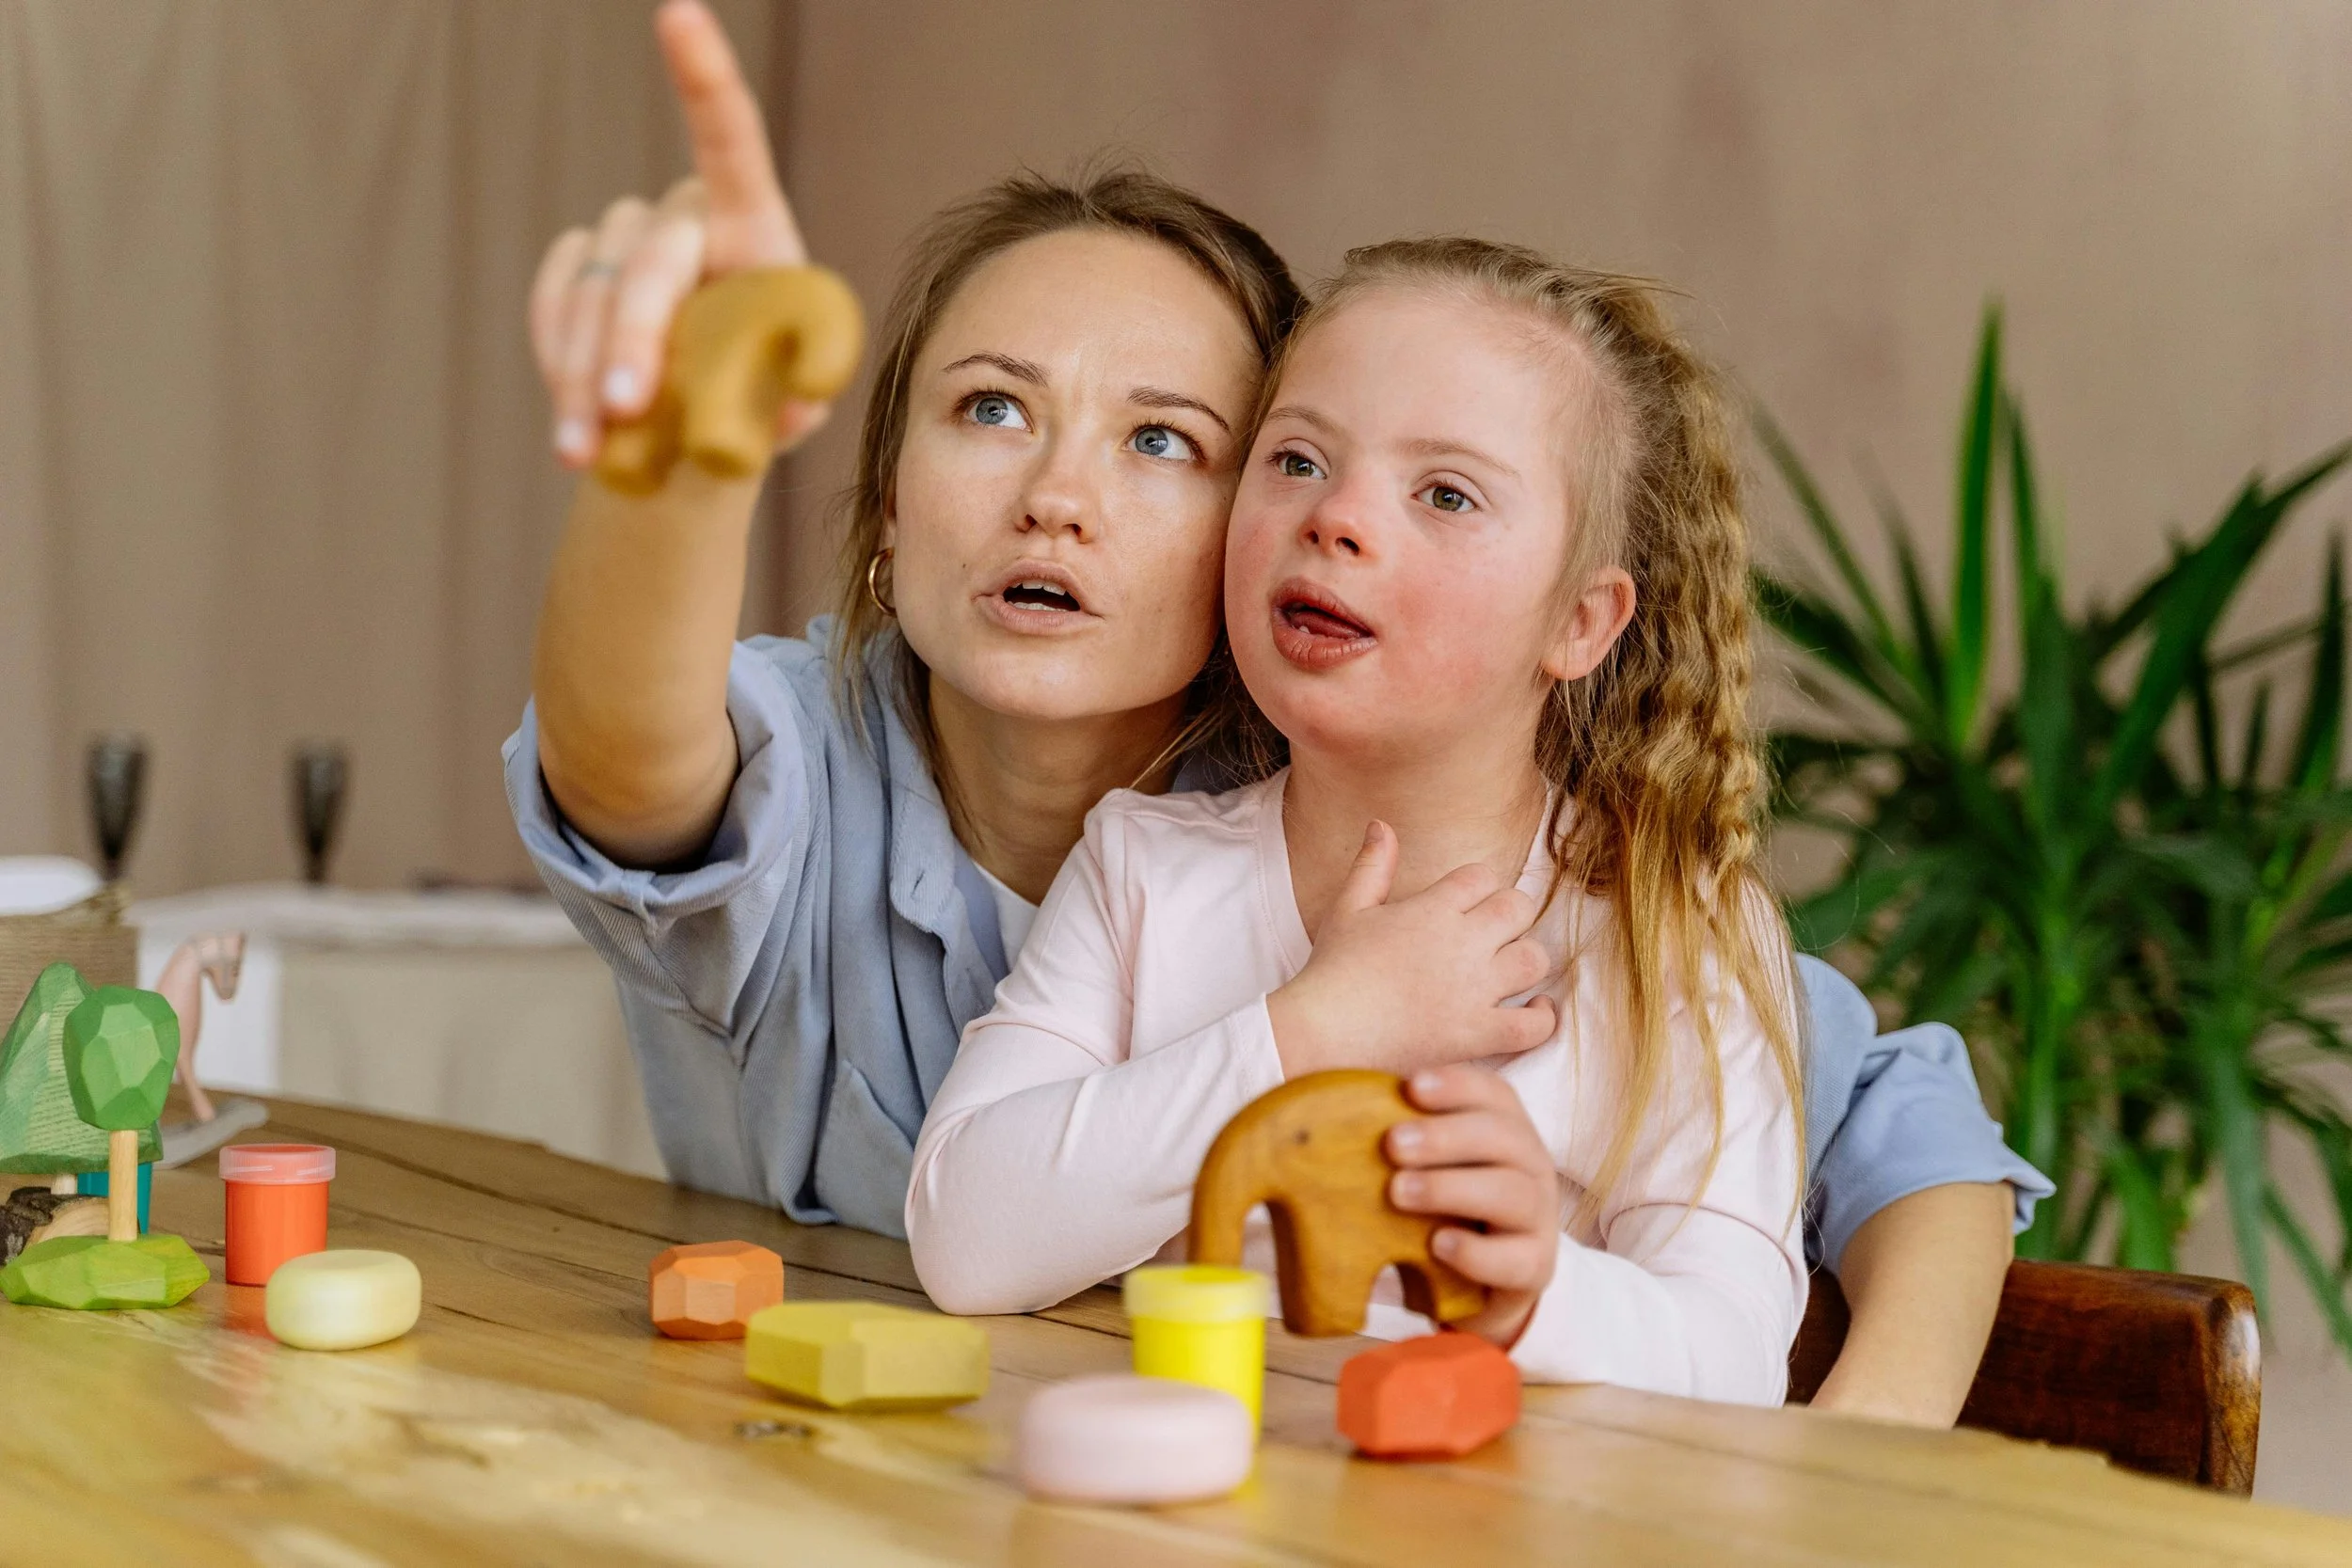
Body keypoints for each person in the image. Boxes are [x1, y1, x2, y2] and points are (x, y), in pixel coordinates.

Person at [508, 0, 2046, 1423]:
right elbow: (630, 762)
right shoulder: (1089, 842)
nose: (1057, 497)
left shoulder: (1571, 874)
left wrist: (1840, 1479)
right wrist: (682, 453)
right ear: (887, 500)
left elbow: (1871, 1110)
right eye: (989, 407)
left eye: (1167, 442)